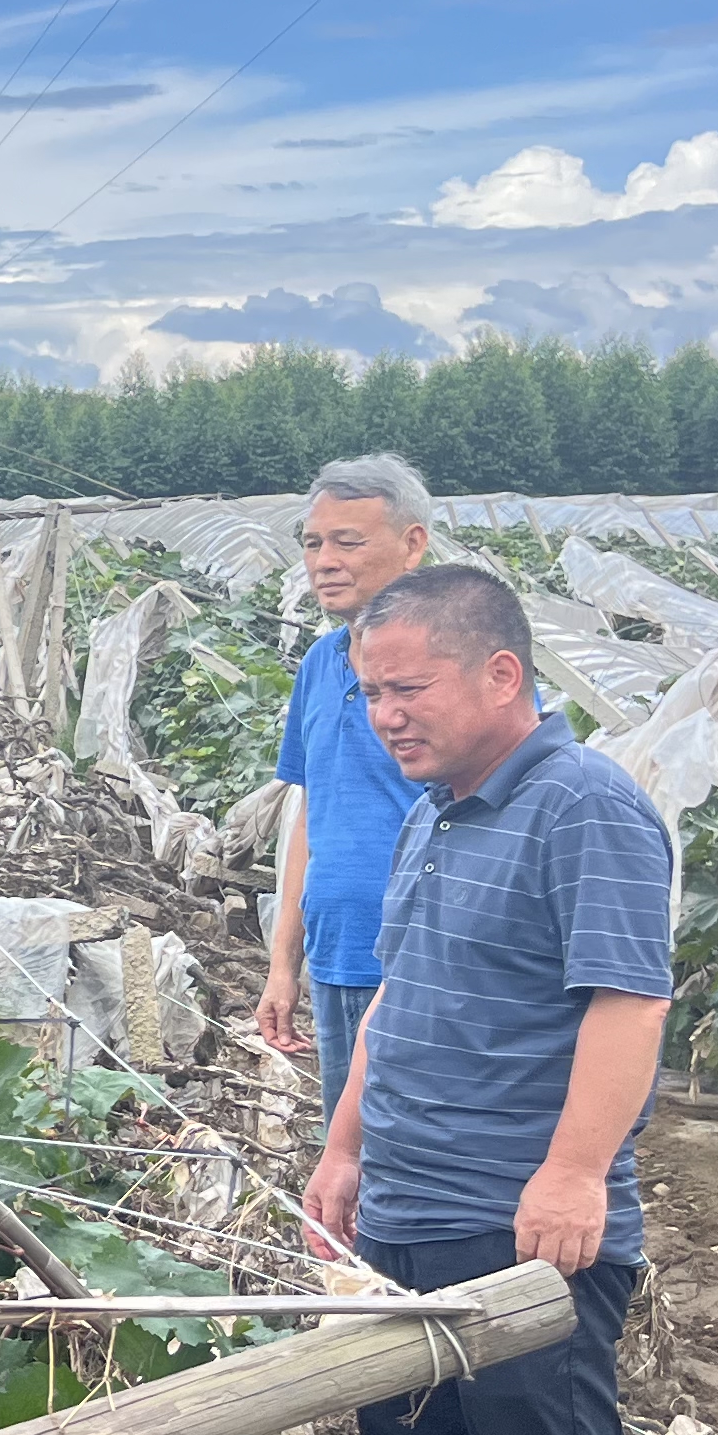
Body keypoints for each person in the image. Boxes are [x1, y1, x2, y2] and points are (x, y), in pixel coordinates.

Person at [304, 565, 669, 1435]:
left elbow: (630, 1002)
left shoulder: (584, 808)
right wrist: (344, 1148)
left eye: (407, 690)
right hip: (403, 1221)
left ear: (502, 674)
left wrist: (574, 1172)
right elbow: (397, 993)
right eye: (370, 694)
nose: (384, 717)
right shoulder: (434, 813)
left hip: (516, 1226)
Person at [254, 453, 433, 1129]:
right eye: (312, 543)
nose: (324, 560)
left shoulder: (458, 671)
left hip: (425, 972)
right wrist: (283, 965)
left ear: (413, 544)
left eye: (347, 542)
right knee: (349, 1162)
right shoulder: (319, 665)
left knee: (422, 1175)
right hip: (337, 959)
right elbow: (311, 819)